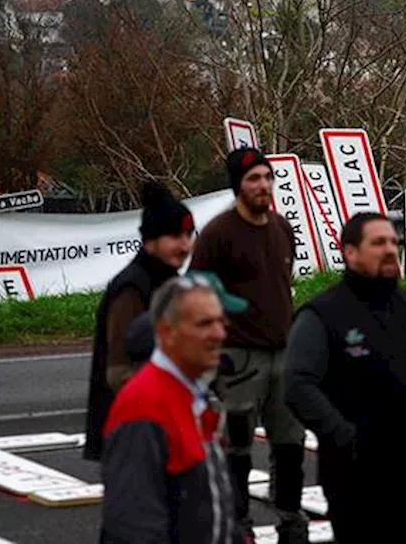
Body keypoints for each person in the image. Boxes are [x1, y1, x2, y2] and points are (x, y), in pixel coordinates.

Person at [284, 212, 406, 542]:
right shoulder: (323, 314)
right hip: (358, 481)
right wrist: (344, 438)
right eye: (378, 243)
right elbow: (297, 384)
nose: (390, 249)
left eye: (394, 242)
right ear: (350, 252)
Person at [189, 146, 308, 543]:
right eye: (253, 178)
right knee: (237, 443)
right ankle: (237, 520)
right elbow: (197, 294)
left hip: (284, 352)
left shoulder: (281, 228)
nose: (263, 186)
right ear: (237, 185)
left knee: (290, 441)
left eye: (267, 177)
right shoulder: (219, 233)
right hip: (239, 357)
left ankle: (290, 516)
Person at [100, 273, 247, 544]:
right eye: (204, 324)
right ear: (167, 332)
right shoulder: (144, 407)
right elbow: (134, 527)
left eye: (221, 321)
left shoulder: (192, 394)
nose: (220, 334)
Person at [85, 181, 196, 462]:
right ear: (150, 241)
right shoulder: (131, 288)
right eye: (174, 236)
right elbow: (119, 372)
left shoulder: (172, 281)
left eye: (188, 234)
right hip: (134, 429)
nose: (184, 244)